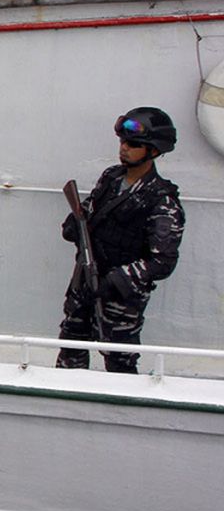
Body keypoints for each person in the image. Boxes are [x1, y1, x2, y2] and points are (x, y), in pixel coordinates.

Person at [56, 107, 184, 373]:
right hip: (85, 283)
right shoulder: (111, 178)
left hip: (120, 298)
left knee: (119, 363)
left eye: (133, 144)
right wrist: (75, 225)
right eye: (123, 142)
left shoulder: (161, 200)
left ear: (154, 151)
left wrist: (119, 278)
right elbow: (88, 211)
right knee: (71, 349)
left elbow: (163, 261)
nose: (124, 148)